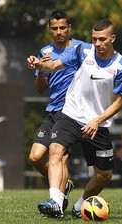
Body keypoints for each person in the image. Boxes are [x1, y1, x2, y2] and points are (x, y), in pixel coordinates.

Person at [27, 18, 122, 218]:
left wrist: (97, 121)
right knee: (55, 150)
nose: (98, 44)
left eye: (102, 39)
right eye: (94, 39)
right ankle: (56, 201)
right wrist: (39, 65)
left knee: (104, 175)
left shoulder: (121, 66)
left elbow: (118, 102)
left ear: (112, 38)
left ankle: (80, 205)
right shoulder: (82, 51)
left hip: (96, 124)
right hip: (71, 115)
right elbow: (54, 65)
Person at [27, 10, 85, 211]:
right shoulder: (45, 51)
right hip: (52, 111)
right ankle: (63, 186)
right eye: (55, 28)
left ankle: (57, 203)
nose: (59, 31)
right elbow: (40, 88)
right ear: (50, 30)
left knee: (59, 157)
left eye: (62, 27)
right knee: (35, 157)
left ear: (69, 28)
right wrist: (40, 68)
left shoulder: (80, 49)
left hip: (70, 113)